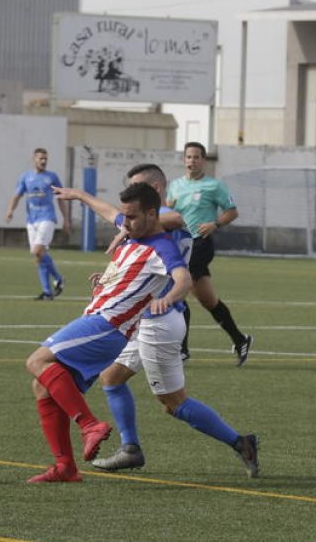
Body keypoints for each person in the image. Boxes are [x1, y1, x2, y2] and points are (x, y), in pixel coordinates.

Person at [55, 164, 260, 478]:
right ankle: (130, 449)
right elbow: (110, 212)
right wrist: (80, 196)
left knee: (174, 403)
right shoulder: (144, 222)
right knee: (111, 379)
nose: (130, 202)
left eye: (137, 189)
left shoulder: (166, 220)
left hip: (159, 320)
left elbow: (176, 220)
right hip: (142, 319)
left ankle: (241, 442)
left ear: (156, 191)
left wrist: (123, 228)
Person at [24, 182, 192, 483]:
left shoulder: (162, 246)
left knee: (36, 362)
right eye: (124, 217)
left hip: (108, 325)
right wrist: (78, 195)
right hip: (98, 320)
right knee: (43, 386)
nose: (123, 224)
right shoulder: (132, 230)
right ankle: (65, 467)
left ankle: (90, 425)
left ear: (152, 214)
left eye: (131, 217)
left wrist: (169, 297)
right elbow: (108, 212)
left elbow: (183, 278)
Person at [165, 141, 252, 366]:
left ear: (204, 160)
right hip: (180, 244)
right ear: (184, 160)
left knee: (179, 291)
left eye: (196, 157)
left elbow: (232, 212)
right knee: (208, 300)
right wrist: (168, 207)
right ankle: (240, 339)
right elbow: (169, 213)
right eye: (188, 157)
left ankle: (181, 351)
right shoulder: (174, 186)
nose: (192, 160)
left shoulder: (214, 186)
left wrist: (215, 223)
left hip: (201, 244)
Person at [5, 148, 70, 300]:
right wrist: (10, 210)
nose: (43, 161)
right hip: (32, 220)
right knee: (40, 256)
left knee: (37, 250)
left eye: (45, 158)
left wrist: (65, 219)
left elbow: (61, 198)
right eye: (41, 158)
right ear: (34, 159)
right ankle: (47, 292)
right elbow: (17, 196)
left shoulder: (52, 177)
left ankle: (59, 278)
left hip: (47, 218)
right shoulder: (26, 177)